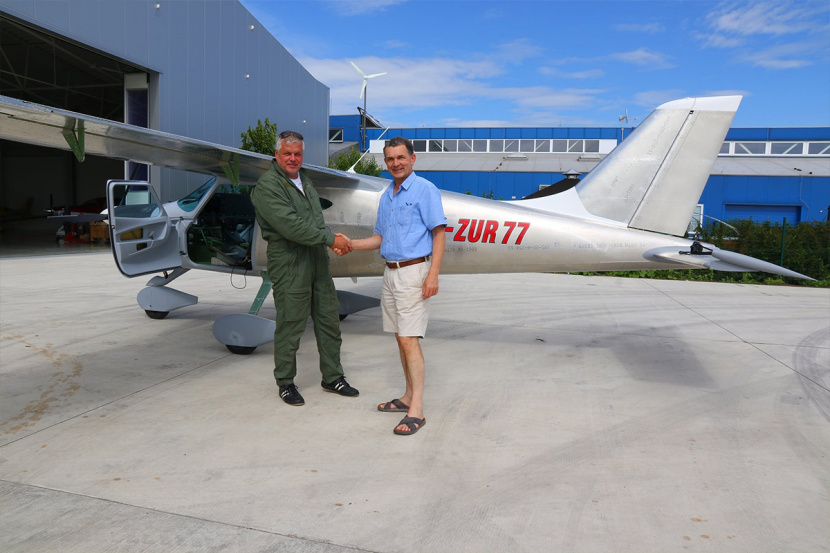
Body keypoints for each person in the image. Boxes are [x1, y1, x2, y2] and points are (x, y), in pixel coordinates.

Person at [342, 136, 446, 435]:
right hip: (390, 273)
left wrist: (433, 275)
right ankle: (407, 396)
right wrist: (350, 244)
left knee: (410, 339)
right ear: (385, 162)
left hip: (414, 272)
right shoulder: (387, 195)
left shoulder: (425, 190)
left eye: (401, 157)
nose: (396, 163)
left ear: (412, 159)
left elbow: (439, 234)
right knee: (401, 338)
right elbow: (380, 239)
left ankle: (418, 411)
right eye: (390, 159)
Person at [250, 130, 359, 406]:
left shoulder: (305, 181)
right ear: (277, 154)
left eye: (297, 154)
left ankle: (332, 377)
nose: (293, 158)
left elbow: (315, 222)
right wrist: (331, 239)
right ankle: (285, 382)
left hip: (316, 260)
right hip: (290, 262)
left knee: (328, 320)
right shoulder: (268, 186)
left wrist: (330, 239)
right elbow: (292, 227)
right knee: (291, 324)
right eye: (287, 153)